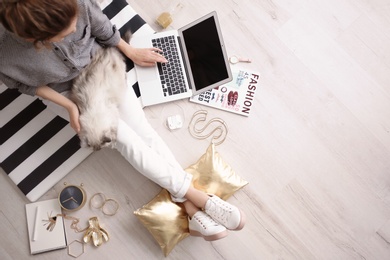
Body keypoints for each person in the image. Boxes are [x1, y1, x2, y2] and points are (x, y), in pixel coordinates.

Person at [0, 0, 245, 241]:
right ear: (35, 39)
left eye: (75, 25)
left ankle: (190, 209)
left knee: (143, 132)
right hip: (67, 94)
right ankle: (200, 199)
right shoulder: (5, 52)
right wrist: (70, 107)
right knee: (126, 141)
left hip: (102, 66)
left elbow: (101, 27)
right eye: (65, 33)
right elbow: (24, 84)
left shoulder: (74, 2)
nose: (75, 31)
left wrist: (130, 51)